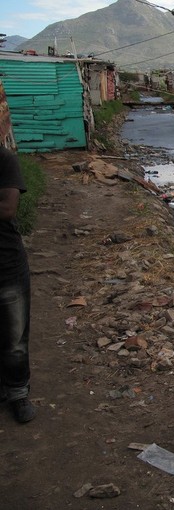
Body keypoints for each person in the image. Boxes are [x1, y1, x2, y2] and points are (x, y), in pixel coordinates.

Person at [0, 146, 36, 423]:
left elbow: (8, 208)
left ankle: (18, 393)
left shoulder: (4, 159)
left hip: (6, 264)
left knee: (15, 337)